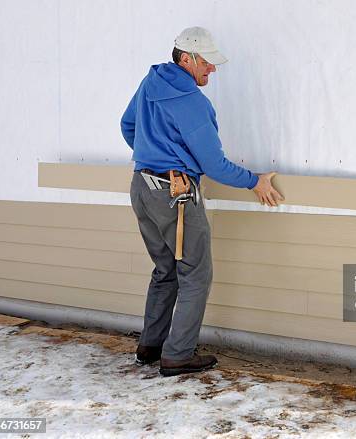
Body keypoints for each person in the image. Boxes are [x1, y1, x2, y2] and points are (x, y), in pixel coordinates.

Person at [120, 26, 283, 377]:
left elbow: (127, 125)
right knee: (196, 274)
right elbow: (214, 165)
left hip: (141, 187)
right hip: (174, 196)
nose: (212, 69)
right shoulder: (192, 102)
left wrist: (153, 155)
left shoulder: (151, 83)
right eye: (207, 63)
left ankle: (150, 346)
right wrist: (255, 181)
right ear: (188, 58)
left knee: (165, 270)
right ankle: (177, 355)